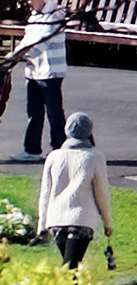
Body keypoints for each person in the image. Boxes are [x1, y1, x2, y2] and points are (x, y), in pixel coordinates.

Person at [36, 109, 107, 270]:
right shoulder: (95, 157)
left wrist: (42, 224)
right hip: (82, 220)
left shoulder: (54, 156)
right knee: (71, 268)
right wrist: (107, 223)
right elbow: (101, 194)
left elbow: (45, 193)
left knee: (69, 267)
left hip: (56, 220)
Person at [16, 0, 64, 158]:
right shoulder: (35, 16)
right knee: (34, 112)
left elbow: (42, 43)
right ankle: (32, 149)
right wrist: (13, 55)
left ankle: (60, 148)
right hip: (34, 71)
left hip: (50, 70)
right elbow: (27, 40)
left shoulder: (55, 15)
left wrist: (21, 55)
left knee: (54, 112)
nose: (27, 3)